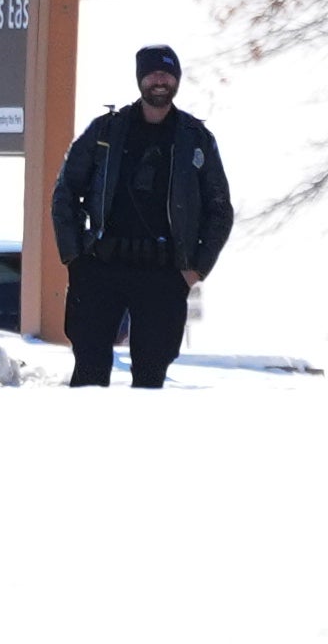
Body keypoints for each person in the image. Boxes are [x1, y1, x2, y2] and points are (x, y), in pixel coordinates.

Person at [51, 43, 234, 389]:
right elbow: (65, 192)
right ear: (140, 80)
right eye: (152, 73)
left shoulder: (195, 139)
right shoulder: (106, 131)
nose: (160, 80)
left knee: (151, 376)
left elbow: (220, 209)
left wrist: (196, 268)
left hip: (164, 273)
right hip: (101, 266)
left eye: (167, 73)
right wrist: (74, 255)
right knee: (89, 371)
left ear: (177, 79)